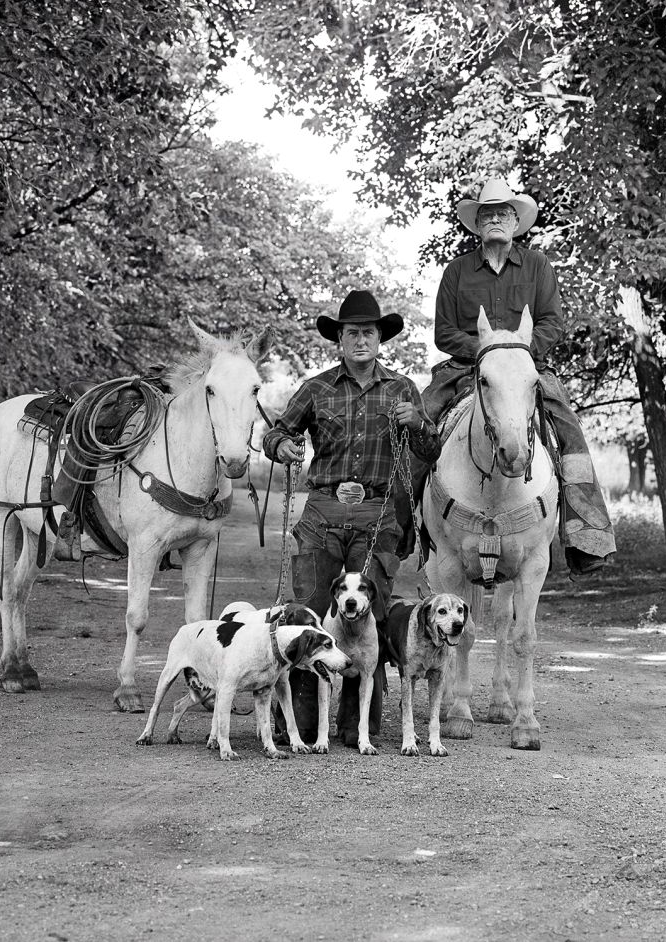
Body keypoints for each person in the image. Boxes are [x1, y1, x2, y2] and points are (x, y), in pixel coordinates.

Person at [263, 290, 441, 746]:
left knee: (371, 615)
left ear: (380, 338)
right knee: (309, 614)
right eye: (351, 333)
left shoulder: (402, 389)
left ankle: (357, 727)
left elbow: (430, 450)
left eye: (368, 332)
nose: (360, 340)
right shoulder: (317, 388)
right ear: (339, 339)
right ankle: (301, 723)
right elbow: (277, 434)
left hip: (378, 514)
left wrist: (418, 424)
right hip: (323, 511)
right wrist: (281, 445)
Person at [421, 177, 616, 574]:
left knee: (569, 430)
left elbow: (552, 322)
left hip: (528, 367)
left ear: (515, 221)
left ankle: (586, 535)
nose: (495, 219)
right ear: (476, 224)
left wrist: (517, 354)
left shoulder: (538, 265)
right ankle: (403, 522)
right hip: (466, 367)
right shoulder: (456, 271)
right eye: (487, 214)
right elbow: (443, 332)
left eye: (503, 213)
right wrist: (486, 352)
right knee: (419, 421)